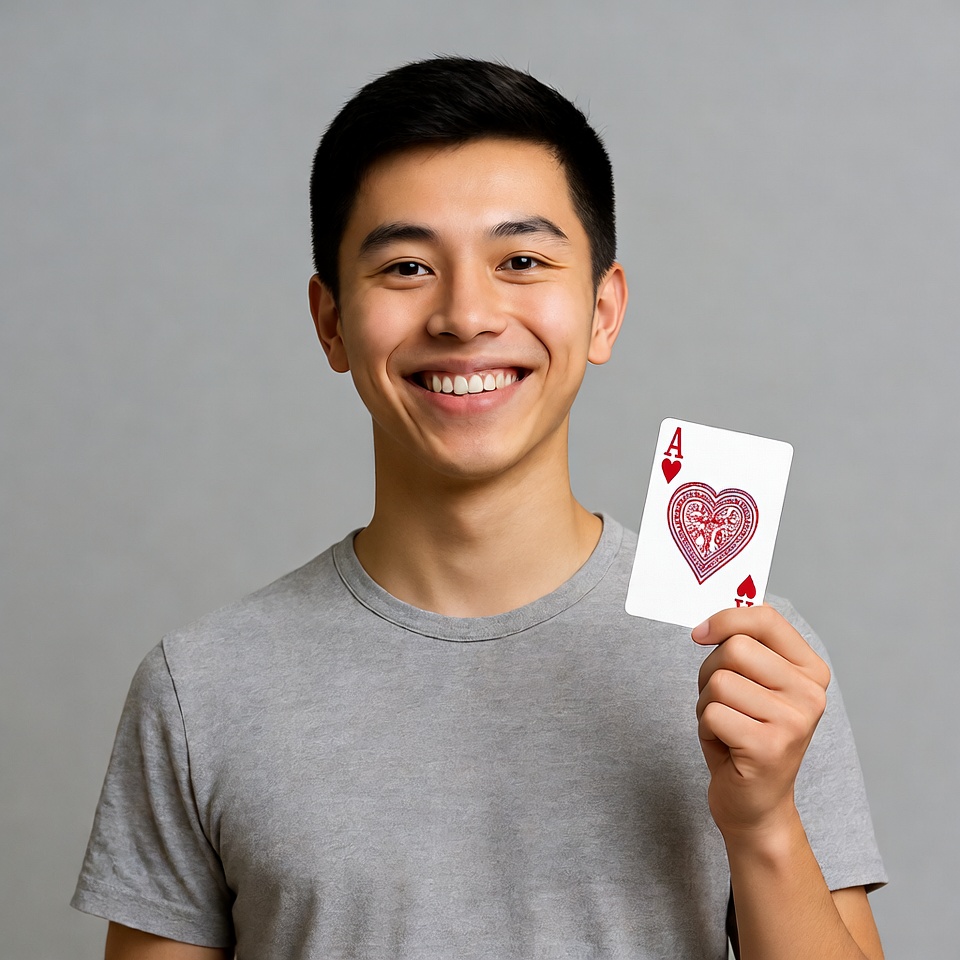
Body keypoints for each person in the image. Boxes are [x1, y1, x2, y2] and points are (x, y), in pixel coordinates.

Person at [72, 57, 886, 959]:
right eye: (408, 266)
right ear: (331, 321)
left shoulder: (748, 661)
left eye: (522, 261)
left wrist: (765, 824)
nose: (466, 315)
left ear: (603, 311)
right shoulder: (201, 689)